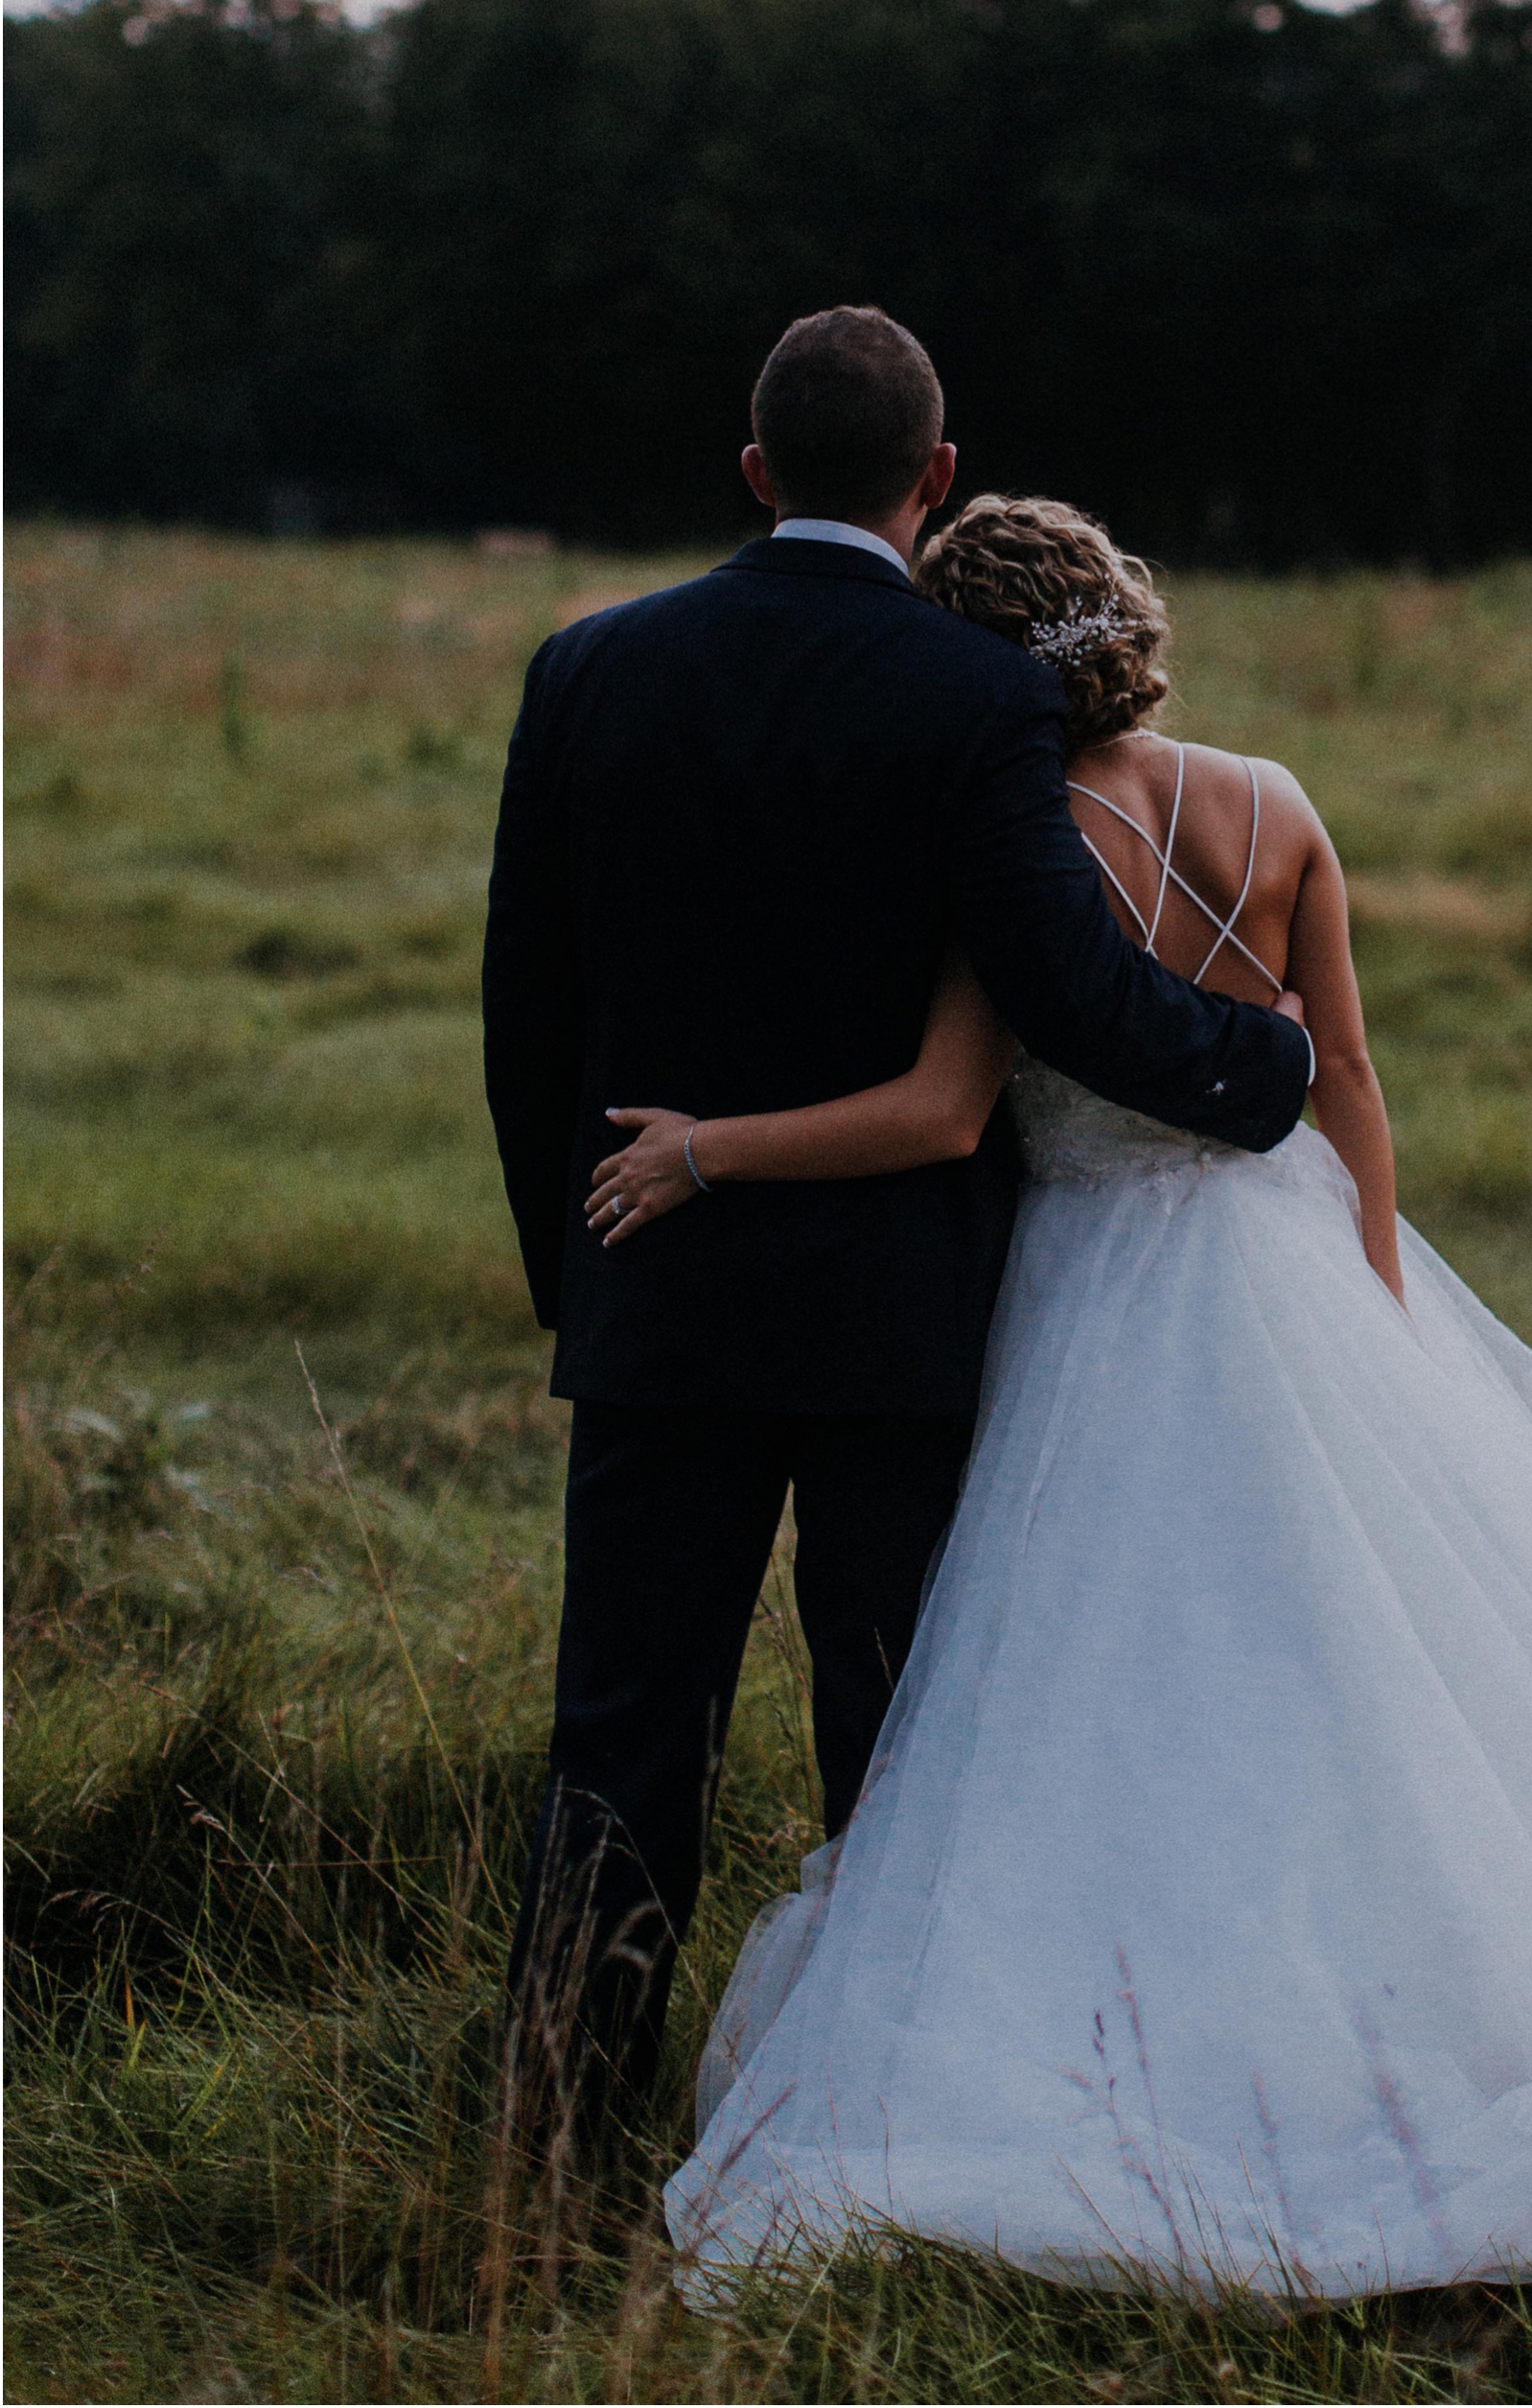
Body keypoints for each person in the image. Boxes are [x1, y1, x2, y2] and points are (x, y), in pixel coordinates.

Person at [598, 492, 1532, 2302]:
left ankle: (1184, 2014)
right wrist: (1377, 1289)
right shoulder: (1273, 801)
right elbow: (1348, 1075)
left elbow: (945, 1111)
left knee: (1126, 1684)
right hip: (1290, 1262)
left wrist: (708, 1149)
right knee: (1379, 1655)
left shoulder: (1007, 837)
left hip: (1093, 1297)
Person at [480, 311, 1313, 2158]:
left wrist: (587, 1285)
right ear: (933, 481)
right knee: (897, 1746)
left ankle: (544, 2143)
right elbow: (1072, 991)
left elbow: (523, 1020)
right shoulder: (978, 697)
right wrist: (1272, 1067)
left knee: (620, 1744)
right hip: (898, 1328)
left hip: (660, 1299)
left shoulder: (585, 667)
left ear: (755, 466)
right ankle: (874, 2136)